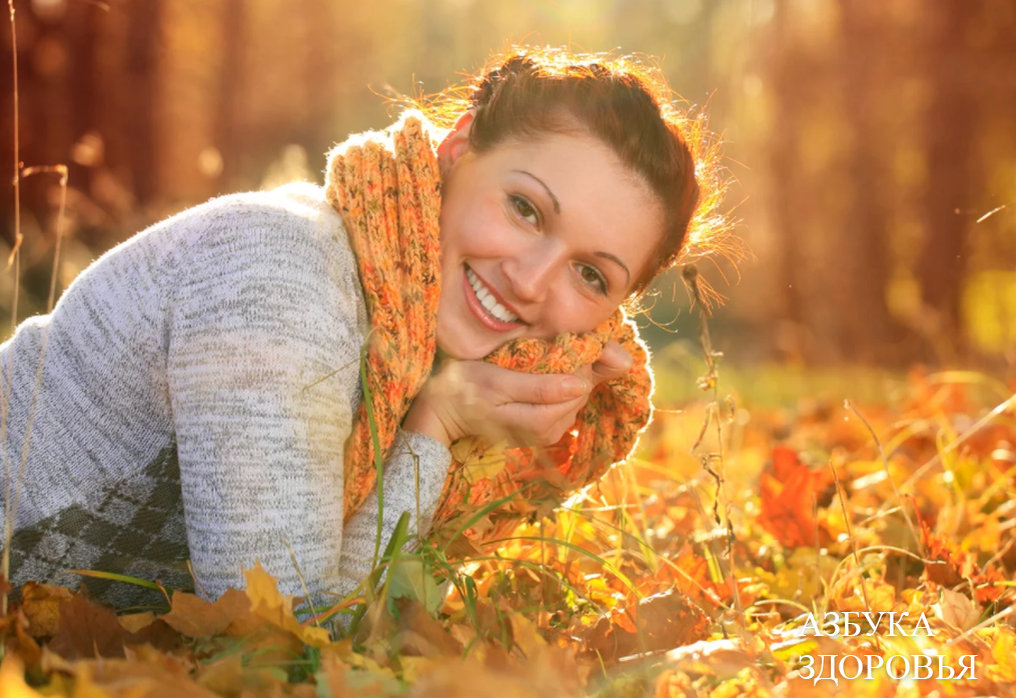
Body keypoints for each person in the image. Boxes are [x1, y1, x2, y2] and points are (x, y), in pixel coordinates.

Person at [0, 47, 722, 610]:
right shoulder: (283, 275)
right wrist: (435, 431)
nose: (531, 282)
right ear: (457, 149)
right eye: (526, 209)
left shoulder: (416, 355)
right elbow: (280, 637)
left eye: (591, 275)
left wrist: (445, 419)